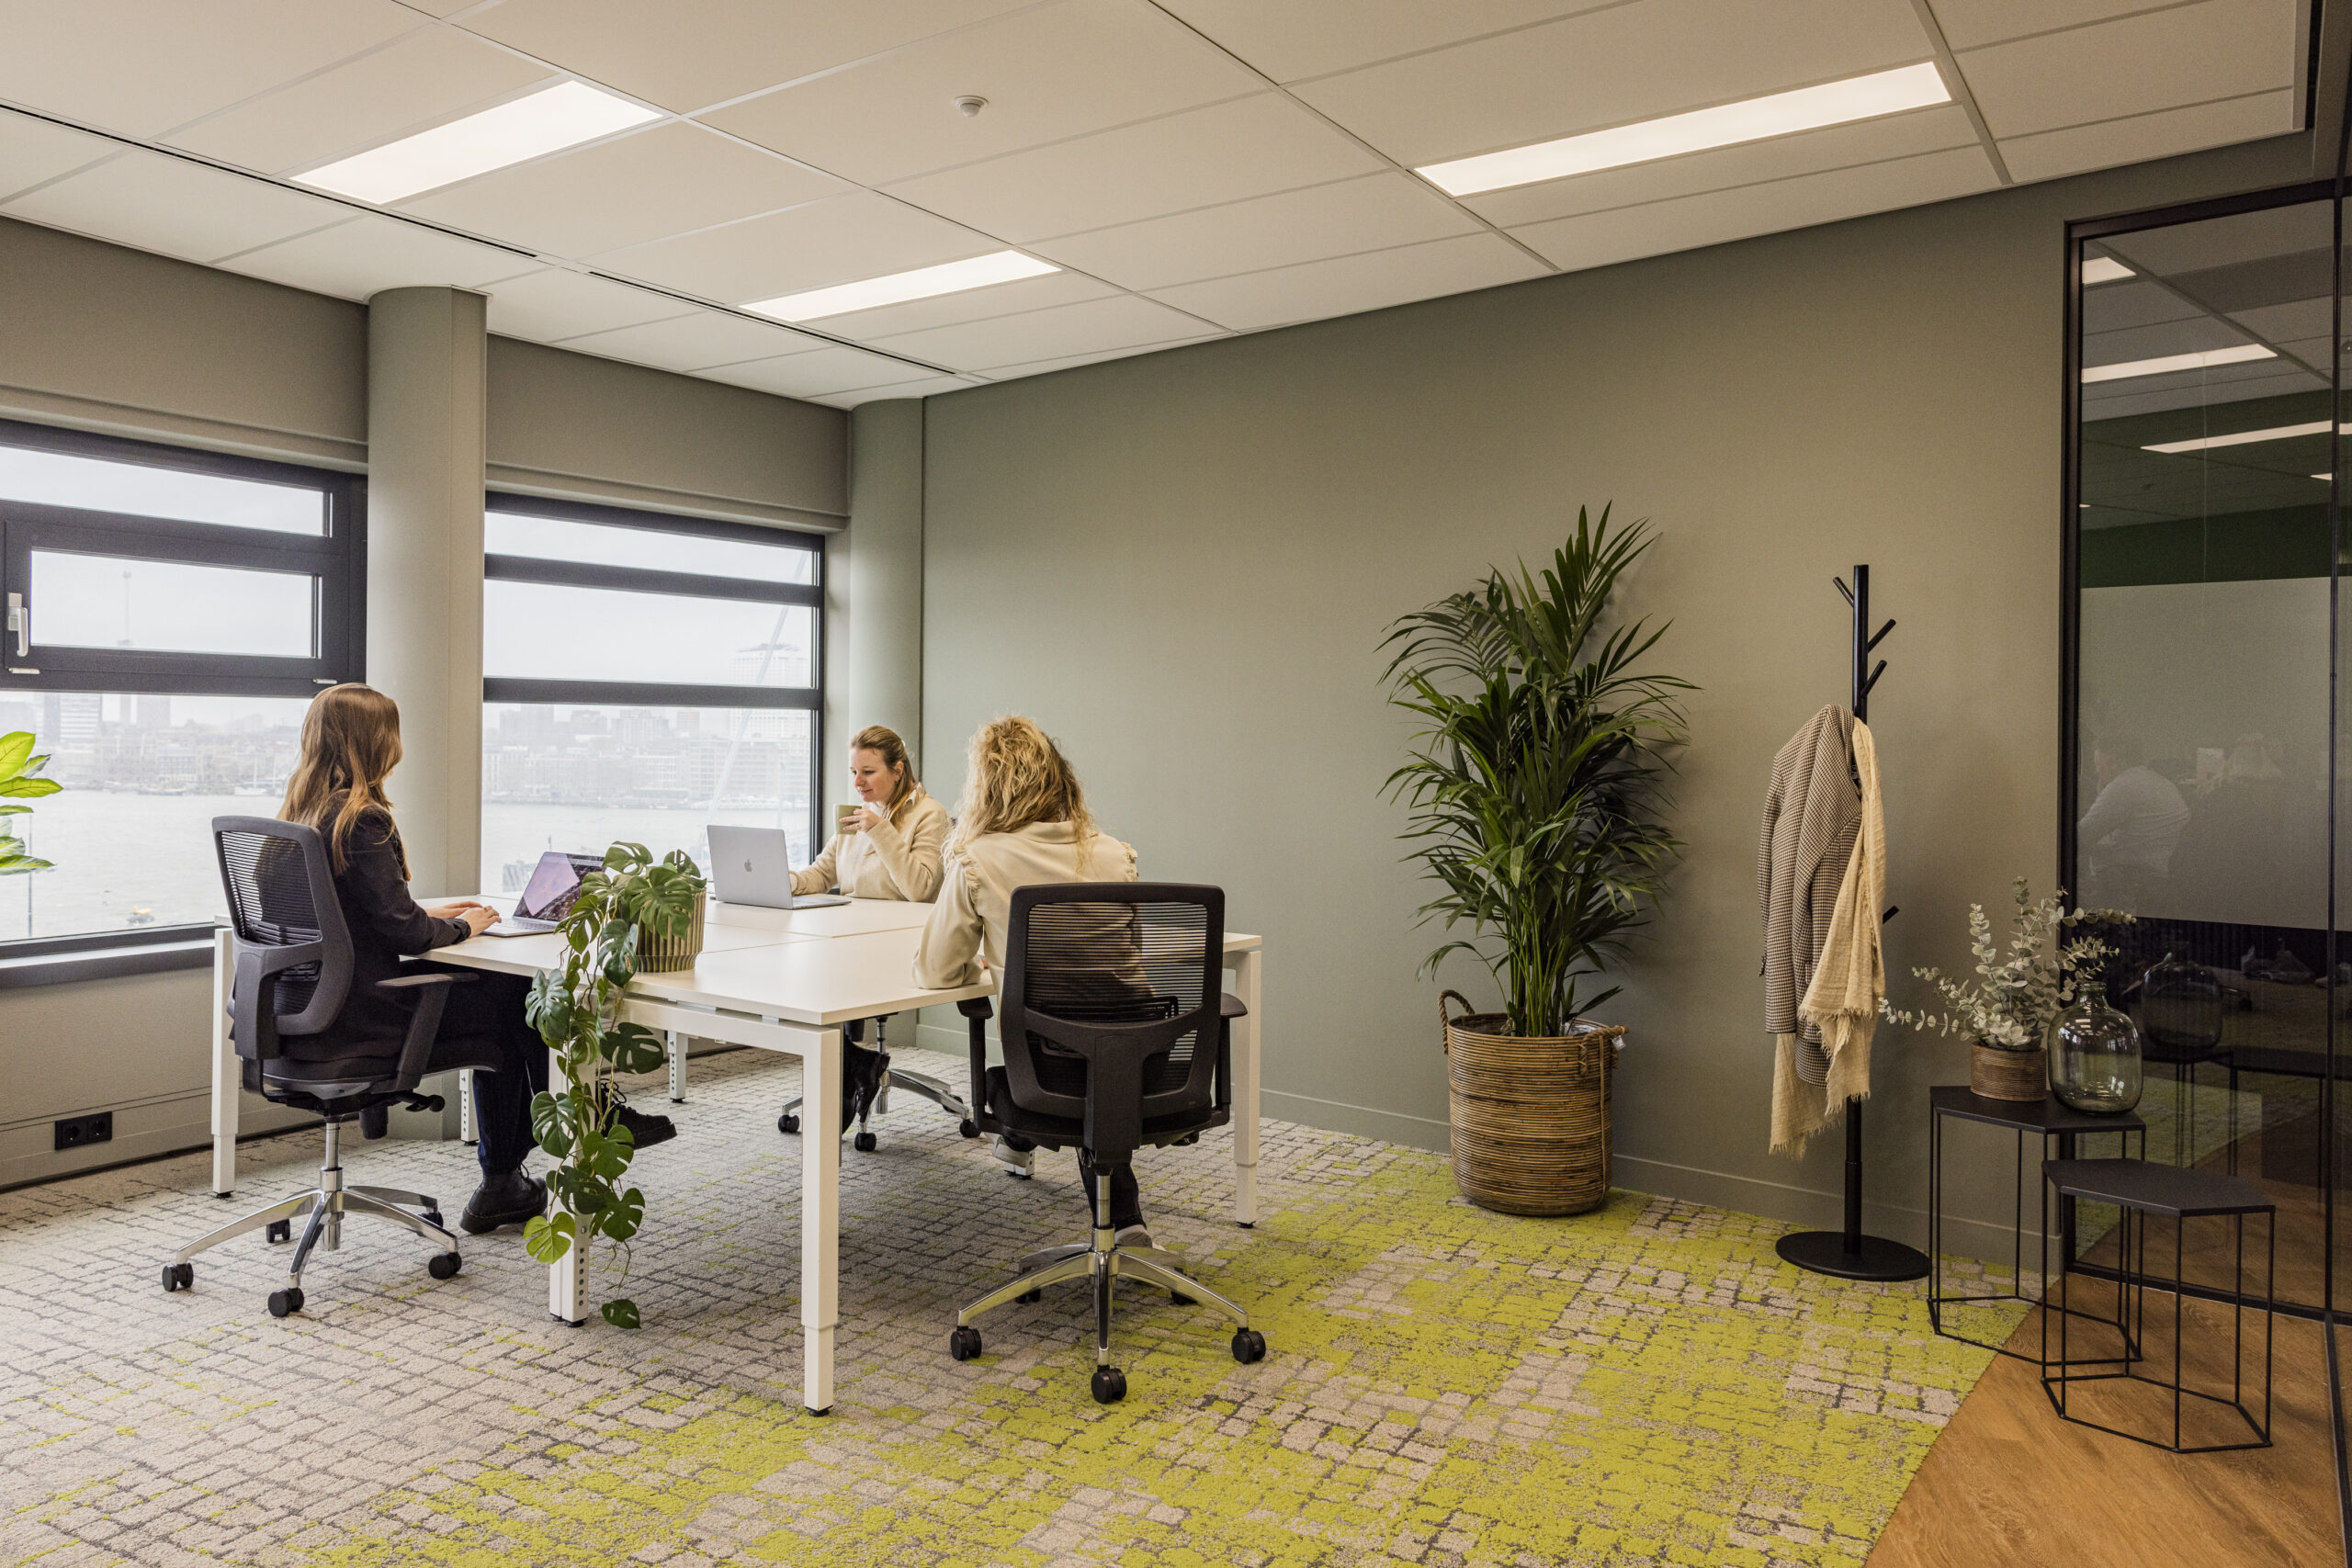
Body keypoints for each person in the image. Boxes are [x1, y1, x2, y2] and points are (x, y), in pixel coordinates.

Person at [276, 683, 672, 1237]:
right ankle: (545, 1149)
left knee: (503, 1002)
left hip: (310, 1013)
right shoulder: (364, 820)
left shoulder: (299, 818)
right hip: (367, 1016)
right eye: (391, 733)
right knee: (516, 998)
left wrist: (431, 908)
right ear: (373, 743)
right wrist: (465, 925)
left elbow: (347, 912)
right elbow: (405, 932)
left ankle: (507, 1177)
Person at [912, 716, 1155, 1247]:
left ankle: (1024, 1140)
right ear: (1059, 778)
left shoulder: (978, 860)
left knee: (1050, 1067)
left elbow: (935, 971)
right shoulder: (1116, 854)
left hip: (1047, 1069)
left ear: (986, 789)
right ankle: (1125, 1220)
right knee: (1091, 1056)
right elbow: (1127, 961)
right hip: (1144, 1062)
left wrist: (986, 966)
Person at [784, 724, 949, 1131]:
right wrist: (783, 880)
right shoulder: (855, 815)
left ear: (898, 770)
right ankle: (855, 1065)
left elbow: (921, 888)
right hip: (851, 938)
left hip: (901, 944)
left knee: (824, 976)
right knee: (804, 967)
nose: (858, 782)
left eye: (869, 772)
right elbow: (823, 873)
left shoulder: (930, 815)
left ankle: (851, 1070)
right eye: (853, 772)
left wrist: (881, 830)